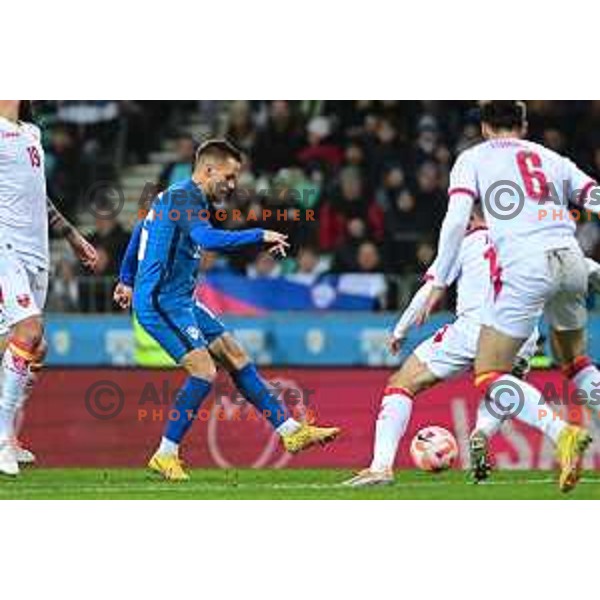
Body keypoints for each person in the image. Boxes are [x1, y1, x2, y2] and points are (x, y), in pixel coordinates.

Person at [113, 139, 340, 481]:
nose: (233, 185)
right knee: (203, 372)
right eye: (229, 176)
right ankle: (165, 453)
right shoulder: (184, 198)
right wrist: (260, 233)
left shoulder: (173, 197)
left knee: (234, 355)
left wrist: (125, 278)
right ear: (208, 170)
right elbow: (208, 240)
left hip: (182, 300)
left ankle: (290, 430)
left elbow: (139, 234)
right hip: (160, 302)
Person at [419, 100, 600, 492]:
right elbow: (595, 197)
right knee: (575, 363)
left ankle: (561, 432)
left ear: (484, 128)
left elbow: (456, 220)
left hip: (525, 265)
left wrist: (438, 280)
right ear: (524, 125)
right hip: (571, 260)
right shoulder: (552, 157)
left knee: (489, 373)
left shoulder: (473, 158)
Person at [343, 207, 538, 486]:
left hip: (475, 328)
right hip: (520, 333)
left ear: (472, 217)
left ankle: (381, 467)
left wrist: (400, 329)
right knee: (501, 389)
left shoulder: (463, 242)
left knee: (401, 384)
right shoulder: (526, 241)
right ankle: (482, 431)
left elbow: (430, 289)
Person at [0, 100, 98, 475]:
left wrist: (71, 235)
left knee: (32, 347)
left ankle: (8, 435)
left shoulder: (31, 133)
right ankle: (3, 438)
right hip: (5, 248)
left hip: (36, 252)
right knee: (30, 330)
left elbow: (36, 195)